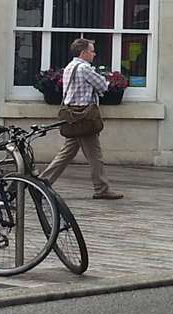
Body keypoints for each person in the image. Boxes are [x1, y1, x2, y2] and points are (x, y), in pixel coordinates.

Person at [38, 38, 123, 200]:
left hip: (72, 115)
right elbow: (103, 86)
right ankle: (101, 188)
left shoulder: (70, 67)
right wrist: (104, 79)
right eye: (91, 51)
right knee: (95, 156)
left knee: (66, 154)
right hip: (84, 117)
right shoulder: (85, 68)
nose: (94, 53)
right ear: (83, 53)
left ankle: (43, 182)